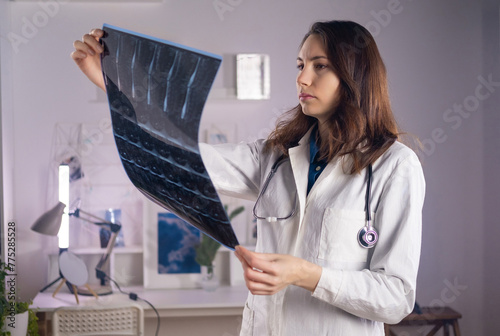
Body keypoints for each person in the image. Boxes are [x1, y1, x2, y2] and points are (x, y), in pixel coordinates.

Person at [72, 20, 425, 335]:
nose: (302, 78)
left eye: (320, 66)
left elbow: (395, 298)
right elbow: (189, 158)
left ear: (355, 76)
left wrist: (306, 275)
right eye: (301, 65)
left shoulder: (395, 166)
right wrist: (115, 85)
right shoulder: (277, 155)